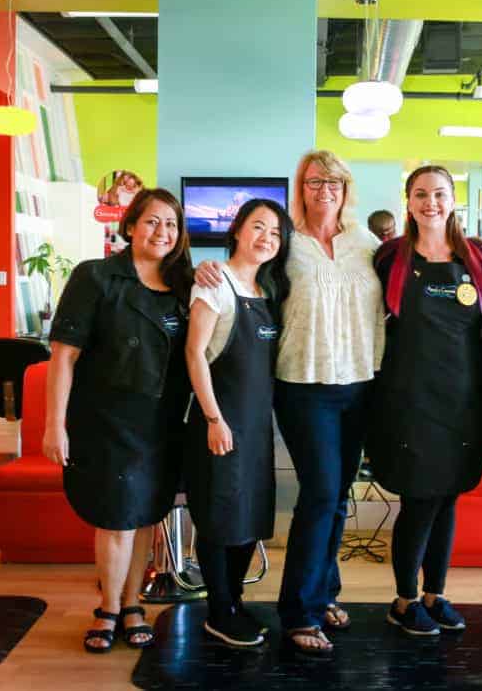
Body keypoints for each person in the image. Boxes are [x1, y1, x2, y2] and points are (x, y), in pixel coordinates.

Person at [196, 150, 385, 655]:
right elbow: (246, 270)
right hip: (304, 386)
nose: (325, 189)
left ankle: (323, 595)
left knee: (338, 498)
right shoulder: (287, 245)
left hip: (360, 383)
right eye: (314, 181)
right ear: (300, 189)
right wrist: (209, 266)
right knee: (321, 493)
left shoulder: (366, 244)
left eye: (334, 181)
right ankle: (298, 611)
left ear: (347, 190)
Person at [43, 188, 194, 654]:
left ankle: (133, 603)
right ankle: (108, 608)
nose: (161, 232)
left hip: (163, 422)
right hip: (104, 418)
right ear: (130, 226)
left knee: (146, 514)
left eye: (170, 224)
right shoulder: (96, 277)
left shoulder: (185, 286)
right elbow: (64, 356)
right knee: (115, 517)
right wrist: (55, 423)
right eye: (152, 222)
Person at [370, 165, 482, 636]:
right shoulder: (389, 258)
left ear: (453, 200)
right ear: (407, 201)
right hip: (410, 401)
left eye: (440, 194)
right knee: (419, 501)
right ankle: (404, 600)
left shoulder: (479, 258)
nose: (431, 203)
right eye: (421, 194)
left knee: (449, 501)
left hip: (465, 401)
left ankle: (435, 594)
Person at [184, 199, 293, 647]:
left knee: (249, 516)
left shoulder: (269, 290)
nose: (266, 238)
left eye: (275, 232)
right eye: (257, 227)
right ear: (237, 231)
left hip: (255, 426)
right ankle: (219, 608)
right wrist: (214, 418)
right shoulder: (214, 283)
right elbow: (195, 354)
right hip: (218, 421)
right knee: (218, 517)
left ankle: (233, 602)